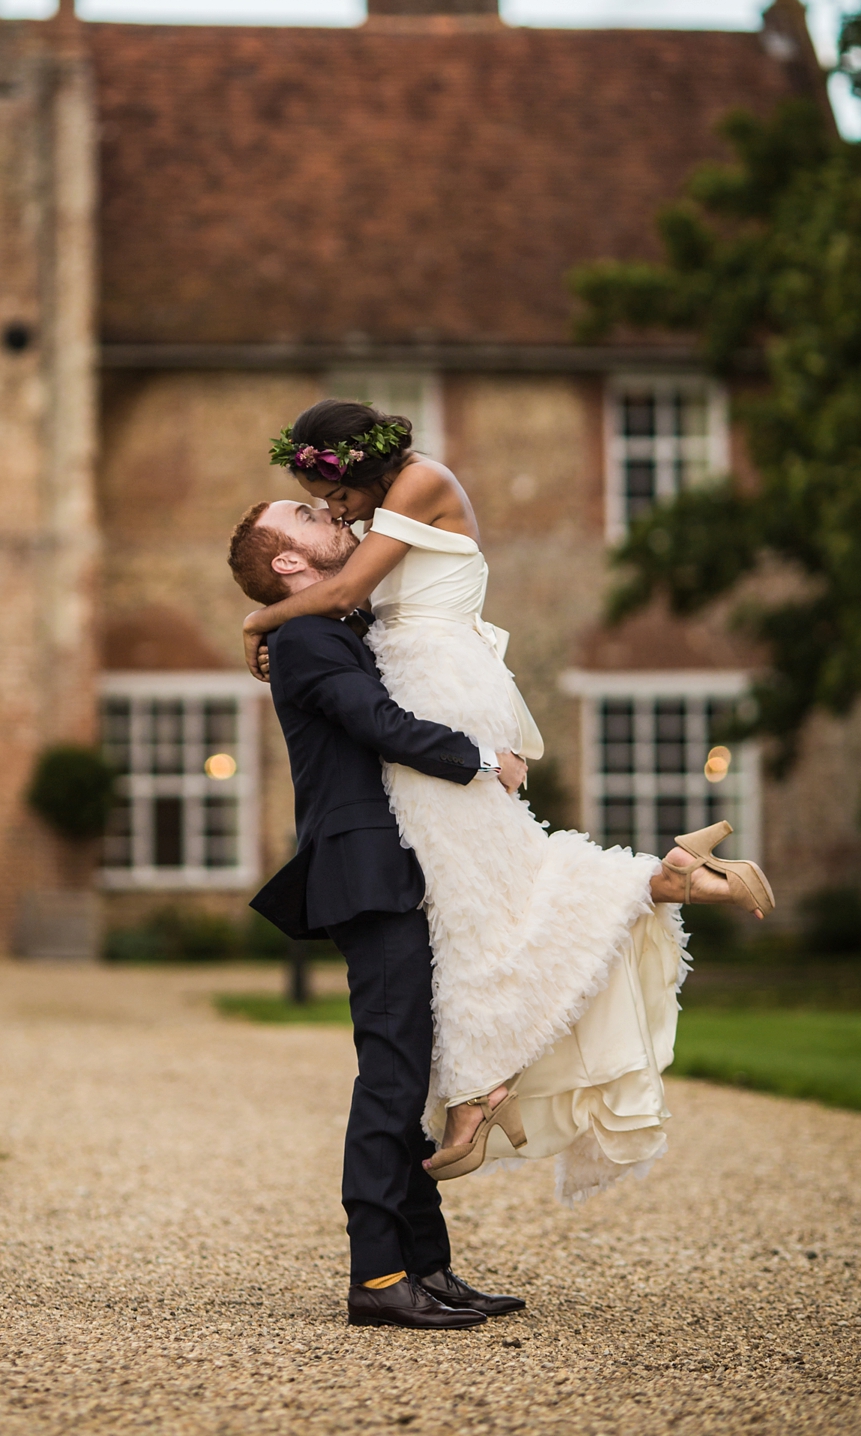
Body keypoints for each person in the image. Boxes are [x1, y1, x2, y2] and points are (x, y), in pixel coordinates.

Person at [237, 400, 774, 1207]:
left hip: (433, 692)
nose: (335, 509)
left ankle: (484, 1084)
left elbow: (345, 586)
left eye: (330, 493)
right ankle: (661, 886)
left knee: (477, 898)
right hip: (425, 684)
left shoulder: (419, 482)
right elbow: (345, 595)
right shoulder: (390, 504)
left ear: (352, 467)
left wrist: (257, 620)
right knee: (480, 890)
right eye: (315, 505)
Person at [229, 501, 527, 1331]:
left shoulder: (321, 626)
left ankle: (427, 1266)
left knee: (411, 1072)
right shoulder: (305, 641)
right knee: (391, 1076)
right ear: (289, 562)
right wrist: (481, 761)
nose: (328, 510)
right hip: (367, 873)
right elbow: (378, 724)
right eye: (303, 515)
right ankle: (378, 1275)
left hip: (400, 867)